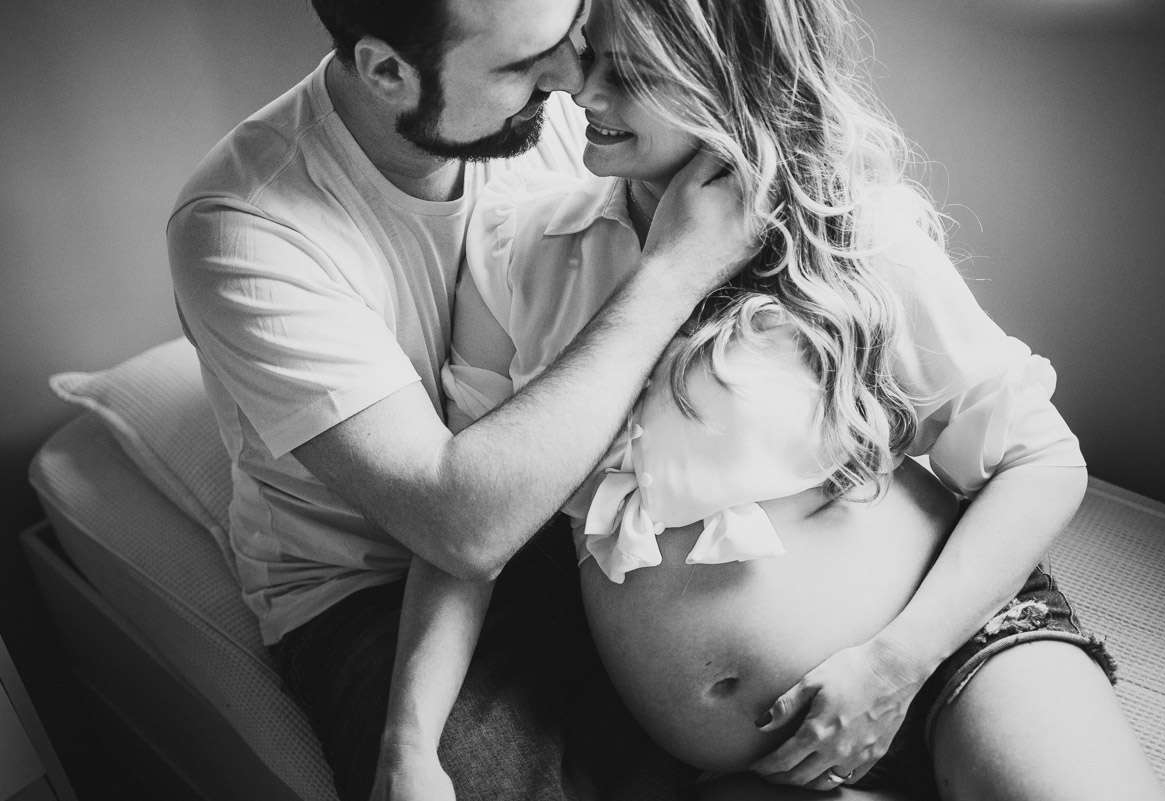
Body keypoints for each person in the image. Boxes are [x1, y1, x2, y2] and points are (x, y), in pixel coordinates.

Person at [403, 0, 1165, 798]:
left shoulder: (846, 232)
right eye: (586, 56)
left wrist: (893, 666)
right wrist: (409, 745)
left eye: (630, 74)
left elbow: (1042, 459)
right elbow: (469, 536)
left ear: (726, 80)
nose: (583, 93)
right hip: (764, 769)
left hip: (953, 658)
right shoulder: (519, 251)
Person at [166, 0, 762, 799]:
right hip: (373, 586)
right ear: (387, 71)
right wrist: (671, 275)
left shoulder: (567, 115)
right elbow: (461, 528)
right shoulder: (244, 228)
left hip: (580, 509)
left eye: (568, 31)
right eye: (522, 64)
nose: (573, 79)